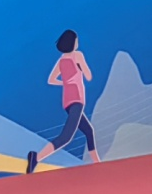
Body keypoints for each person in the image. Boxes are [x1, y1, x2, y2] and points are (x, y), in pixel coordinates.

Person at [27, 29, 101, 173]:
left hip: (67, 101)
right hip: (77, 99)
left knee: (89, 130)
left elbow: (51, 80)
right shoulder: (77, 55)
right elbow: (89, 76)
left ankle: (97, 163)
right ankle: (36, 157)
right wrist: (80, 72)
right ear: (73, 43)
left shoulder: (61, 61)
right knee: (66, 137)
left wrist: (65, 83)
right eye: (76, 40)